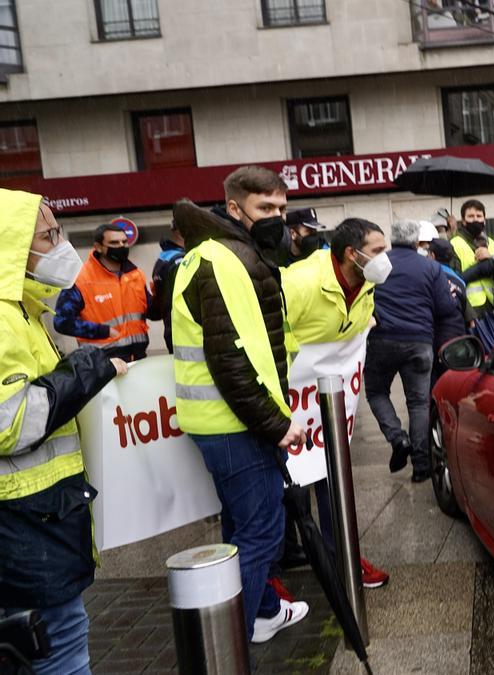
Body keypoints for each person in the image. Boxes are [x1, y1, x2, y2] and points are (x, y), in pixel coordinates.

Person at [171, 166, 308, 645]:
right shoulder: (225, 259)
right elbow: (232, 359)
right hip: (236, 424)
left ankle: (265, 612)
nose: (277, 217)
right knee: (260, 535)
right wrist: (276, 425)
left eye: (282, 209)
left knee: (239, 529)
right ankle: (233, 643)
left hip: (224, 421)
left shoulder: (221, 253)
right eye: (265, 208)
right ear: (234, 208)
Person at [0, 190, 128, 675]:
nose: (61, 244)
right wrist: (87, 369)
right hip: (27, 530)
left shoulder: (22, 310)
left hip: (36, 525)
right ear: (9, 245)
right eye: (48, 235)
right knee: (63, 656)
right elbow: (12, 423)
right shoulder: (3, 319)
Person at [280, 218, 392, 589]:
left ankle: (341, 554)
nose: (385, 259)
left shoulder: (365, 284)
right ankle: (272, 570)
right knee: (284, 486)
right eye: (378, 251)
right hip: (291, 405)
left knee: (333, 477)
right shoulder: (299, 283)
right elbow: (267, 335)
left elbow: (351, 326)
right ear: (352, 253)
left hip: (326, 410)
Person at [367, 219, 463, 481]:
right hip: (420, 342)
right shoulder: (431, 267)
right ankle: (421, 467)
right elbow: (445, 308)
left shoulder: (378, 265)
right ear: (415, 241)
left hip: (382, 340)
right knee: (419, 403)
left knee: (376, 392)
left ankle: (398, 438)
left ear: (391, 238)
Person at [53, 223, 152, 362]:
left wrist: (160, 296)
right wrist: (104, 331)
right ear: (98, 247)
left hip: (138, 358)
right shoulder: (81, 280)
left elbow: (151, 312)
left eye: (124, 242)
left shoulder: (135, 275)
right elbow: (61, 322)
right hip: (102, 363)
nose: (121, 246)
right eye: (114, 242)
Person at [450, 199, 494, 349]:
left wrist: (491, 259)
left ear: (485, 220)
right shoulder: (455, 244)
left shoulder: (491, 243)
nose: (476, 220)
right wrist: (481, 267)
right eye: (471, 216)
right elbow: (454, 280)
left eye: (479, 216)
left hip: (493, 306)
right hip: (471, 311)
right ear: (464, 221)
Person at [146, 220, 186, 353]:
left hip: (175, 333)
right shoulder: (180, 261)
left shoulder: (164, 258)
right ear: (180, 231)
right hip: (186, 335)